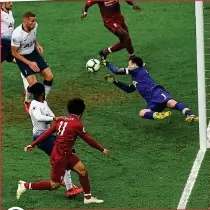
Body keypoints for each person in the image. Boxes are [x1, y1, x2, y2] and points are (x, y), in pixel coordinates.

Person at [17, 98, 109, 204]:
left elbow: (47, 133)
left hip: (66, 154)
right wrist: (102, 149)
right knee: (54, 185)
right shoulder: (77, 124)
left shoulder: (61, 120)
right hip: (60, 157)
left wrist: (33, 144)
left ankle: (88, 198)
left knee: (82, 171)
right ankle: (24, 185)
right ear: (81, 112)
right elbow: (89, 140)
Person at [102, 57, 199, 122]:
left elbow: (116, 70)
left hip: (156, 92)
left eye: (129, 64)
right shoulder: (136, 78)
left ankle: (190, 115)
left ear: (134, 64)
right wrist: (114, 81)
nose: (128, 66)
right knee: (142, 113)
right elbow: (128, 89)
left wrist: (106, 62)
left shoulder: (137, 69)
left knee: (171, 103)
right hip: (151, 101)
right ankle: (158, 115)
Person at [29, 83, 83, 197]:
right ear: (42, 93)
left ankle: (62, 179)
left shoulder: (43, 103)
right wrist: (54, 118)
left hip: (48, 135)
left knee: (65, 157)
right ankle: (69, 189)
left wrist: (60, 119)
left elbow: (51, 114)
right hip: (41, 136)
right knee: (65, 157)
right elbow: (39, 117)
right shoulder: (34, 105)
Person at [11, 11, 54, 113]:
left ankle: (42, 100)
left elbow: (33, 37)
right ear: (25, 21)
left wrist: (38, 45)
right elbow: (14, 53)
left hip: (34, 54)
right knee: (33, 84)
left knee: (49, 77)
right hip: (22, 58)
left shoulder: (35, 26)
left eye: (35, 20)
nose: (34, 23)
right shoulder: (17, 35)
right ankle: (27, 101)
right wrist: (29, 63)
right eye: (32, 21)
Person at [1, 2, 29, 94]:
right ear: (2, 2)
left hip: (9, 46)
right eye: (9, 2)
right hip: (3, 43)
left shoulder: (10, 12)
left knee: (23, 62)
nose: (11, 3)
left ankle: (28, 87)